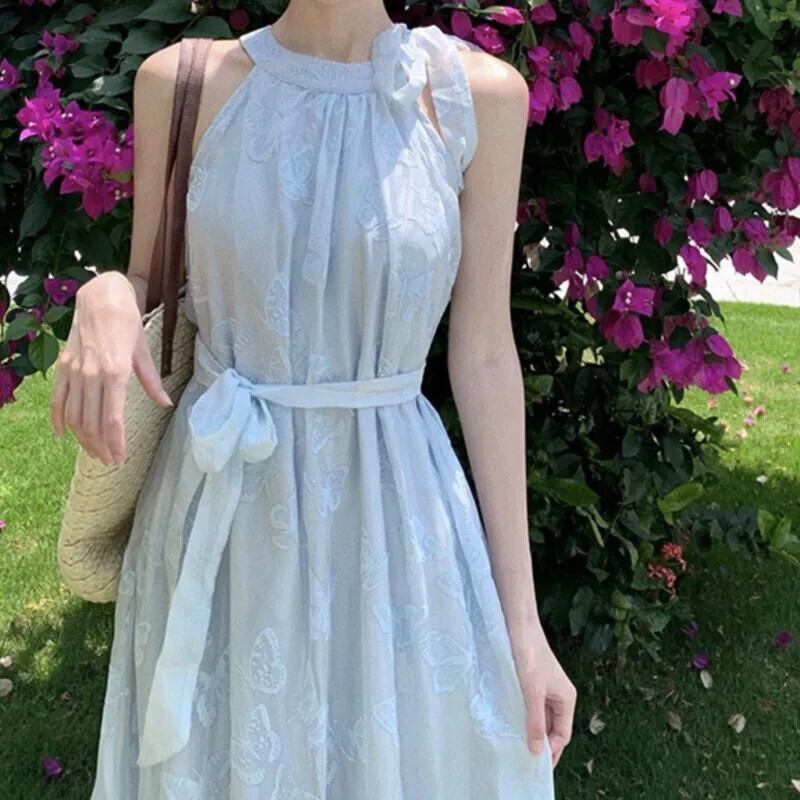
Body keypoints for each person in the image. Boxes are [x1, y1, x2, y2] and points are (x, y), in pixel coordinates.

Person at [51, 3, 576, 797]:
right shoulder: (182, 83)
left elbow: (484, 356)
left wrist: (524, 627)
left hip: (395, 530)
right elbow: (153, 286)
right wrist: (104, 295)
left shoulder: (478, 96)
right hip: (219, 522)